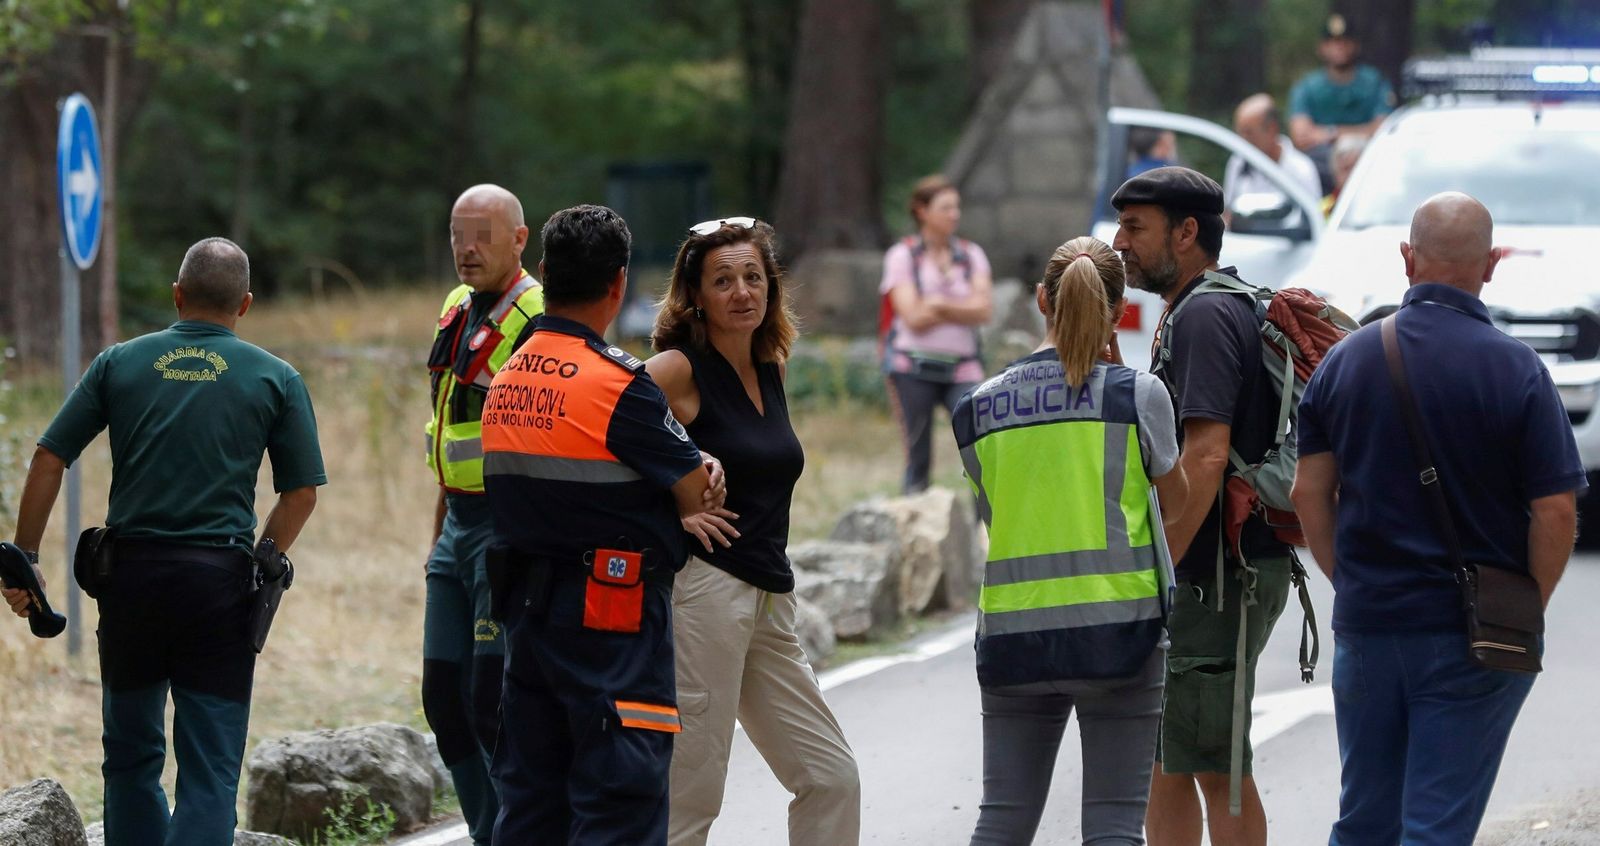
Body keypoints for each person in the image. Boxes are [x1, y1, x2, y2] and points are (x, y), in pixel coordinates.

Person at [3, 238, 325, 846]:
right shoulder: (276, 377)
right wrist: (264, 557)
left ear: (176, 296)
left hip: (131, 583)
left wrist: (27, 559)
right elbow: (301, 492)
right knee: (208, 770)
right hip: (219, 586)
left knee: (130, 756)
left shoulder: (118, 362)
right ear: (246, 304)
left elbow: (49, 457)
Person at [1292, 192, 1583, 845]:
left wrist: (1349, 579)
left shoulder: (1345, 361)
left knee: (1365, 820)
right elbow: (1556, 510)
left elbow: (1309, 491)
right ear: (1492, 265)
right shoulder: (1518, 370)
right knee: (1435, 826)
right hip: (1469, 636)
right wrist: (1524, 602)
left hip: (1368, 626)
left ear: (1406, 258)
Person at [480, 204, 719, 845]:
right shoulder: (620, 386)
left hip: (528, 619)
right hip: (614, 625)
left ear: (543, 274)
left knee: (531, 806)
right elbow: (699, 499)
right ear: (618, 285)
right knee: (619, 803)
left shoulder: (505, 380)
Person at [953, 236, 1188, 845]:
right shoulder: (1137, 395)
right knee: (1113, 822)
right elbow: (1179, 499)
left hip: (1012, 635)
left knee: (1002, 817)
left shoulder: (977, 409)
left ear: (1040, 300)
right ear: (1118, 311)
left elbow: (994, 511)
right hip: (1121, 635)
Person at [646, 218, 861, 846]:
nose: (743, 292)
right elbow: (607, 429)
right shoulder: (677, 369)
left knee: (831, 778)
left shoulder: (770, 366)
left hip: (770, 599)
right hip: (705, 595)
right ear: (695, 297)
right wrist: (677, 507)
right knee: (691, 797)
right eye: (723, 280)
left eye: (753, 277)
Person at [1109, 167, 1292, 846]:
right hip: (1214, 570)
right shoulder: (1195, 309)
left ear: (1187, 233)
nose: (1119, 241)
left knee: (1215, 763)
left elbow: (1207, 454)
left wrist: (1162, 571)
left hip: (1216, 575)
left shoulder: (1208, 314)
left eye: (1135, 227)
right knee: (1170, 760)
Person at [421, 184, 544, 846]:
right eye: (456, 235)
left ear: (519, 240)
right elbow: (449, 421)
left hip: (505, 525)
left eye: (483, 237)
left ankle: (516, 833)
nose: (466, 250)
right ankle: (488, 830)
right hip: (455, 527)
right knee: (443, 698)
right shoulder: (455, 308)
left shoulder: (537, 318)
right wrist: (436, 529)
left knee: (492, 701)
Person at [880, 175, 994, 494]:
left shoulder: (972, 255)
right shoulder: (902, 256)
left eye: (956, 207)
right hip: (911, 367)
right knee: (918, 453)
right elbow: (912, 316)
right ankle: (916, 522)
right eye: (945, 208)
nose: (954, 214)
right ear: (922, 211)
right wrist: (961, 305)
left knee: (979, 444)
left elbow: (984, 309)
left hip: (964, 367)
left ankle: (982, 526)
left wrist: (939, 303)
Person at [1288, 14, 1395, 190]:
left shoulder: (1374, 81)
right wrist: (1359, 131)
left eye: (1344, 42)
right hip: (1320, 177)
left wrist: (1331, 133)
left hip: (1370, 169)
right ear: (1321, 48)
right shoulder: (1307, 86)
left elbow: (1384, 129)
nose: (1339, 48)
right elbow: (1301, 136)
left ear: (1355, 45)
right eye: (1332, 42)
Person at [1223, 94, 1322, 221]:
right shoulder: (1238, 163)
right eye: (1240, 133)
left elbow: (1313, 220)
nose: (1243, 141)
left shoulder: (1301, 169)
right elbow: (1227, 214)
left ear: (1272, 128)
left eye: (1249, 133)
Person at [1320, 134, 1367, 217]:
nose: (1351, 175)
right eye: (1345, 169)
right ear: (1335, 173)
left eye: (1355, 168)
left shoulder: (1380, 204)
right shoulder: (1323, 210)